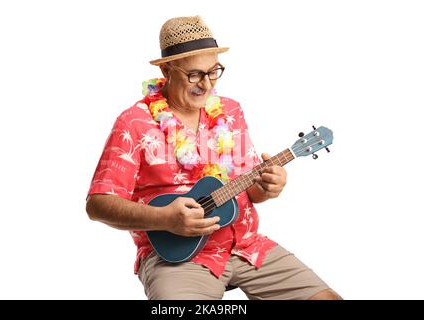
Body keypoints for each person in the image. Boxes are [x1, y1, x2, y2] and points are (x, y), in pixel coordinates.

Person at [86, 15, 341, 300]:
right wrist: (164, 218)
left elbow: (250, 189)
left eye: (214, 72)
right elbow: (98, 204)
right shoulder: (133, 122)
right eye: (194, 74)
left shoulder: (230, 112)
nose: (206, 85)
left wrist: (269, 186)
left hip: (246, 245)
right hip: (177, 258)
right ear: (167, 70)